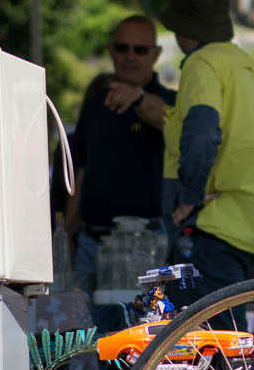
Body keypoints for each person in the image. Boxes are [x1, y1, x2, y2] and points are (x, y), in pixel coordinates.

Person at [158, 0, 254, 309]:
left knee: (207, 345)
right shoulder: (250, 69)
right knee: (230, 342)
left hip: (212, 228)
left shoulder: (201, 64)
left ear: (181, 28)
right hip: (248, 232)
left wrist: (189, 198)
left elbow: (202, 133)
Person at [64, 15, 175, 290]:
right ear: (111, 49)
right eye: (122, 48)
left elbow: (166, 119)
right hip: (92, 244)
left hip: (147, 247)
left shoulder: (169, 101)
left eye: (140, 50)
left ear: (155, 54)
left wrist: (137, 97)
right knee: (90, 332)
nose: (130, 56)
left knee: (144, 332)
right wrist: (67, 235)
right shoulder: (95, 104)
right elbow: (80, 171)